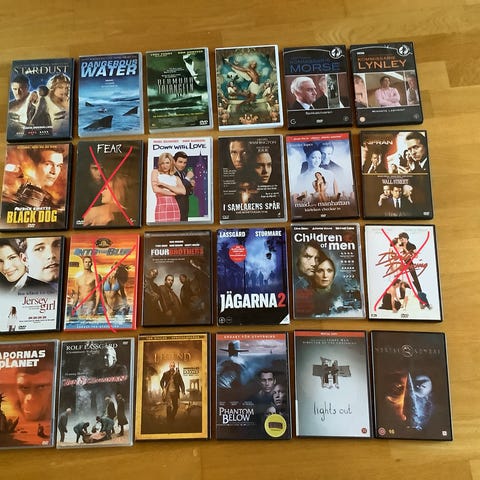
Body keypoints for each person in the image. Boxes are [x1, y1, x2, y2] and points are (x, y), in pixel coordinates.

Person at [151, 152, 186, 222]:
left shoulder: (176, 178)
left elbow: (183, 191)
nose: (165, 166)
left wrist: (165, 185)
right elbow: (156, 189)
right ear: (160, 164)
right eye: (162, 163)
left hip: (174, 207)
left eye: (167, 163)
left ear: (171, 163)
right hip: (161, 207)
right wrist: (173, 193)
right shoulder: (155, 172)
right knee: (160, 227)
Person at [173, 151, 195, 221]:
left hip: (184, 210)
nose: (182, 165)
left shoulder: (183, 173)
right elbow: (177, 190)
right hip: (175, 209)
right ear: (174, 161)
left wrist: (191, 187)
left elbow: (185, 192)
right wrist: (187, 178)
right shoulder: (170, 173)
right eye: (180, 162)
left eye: (185, 163)